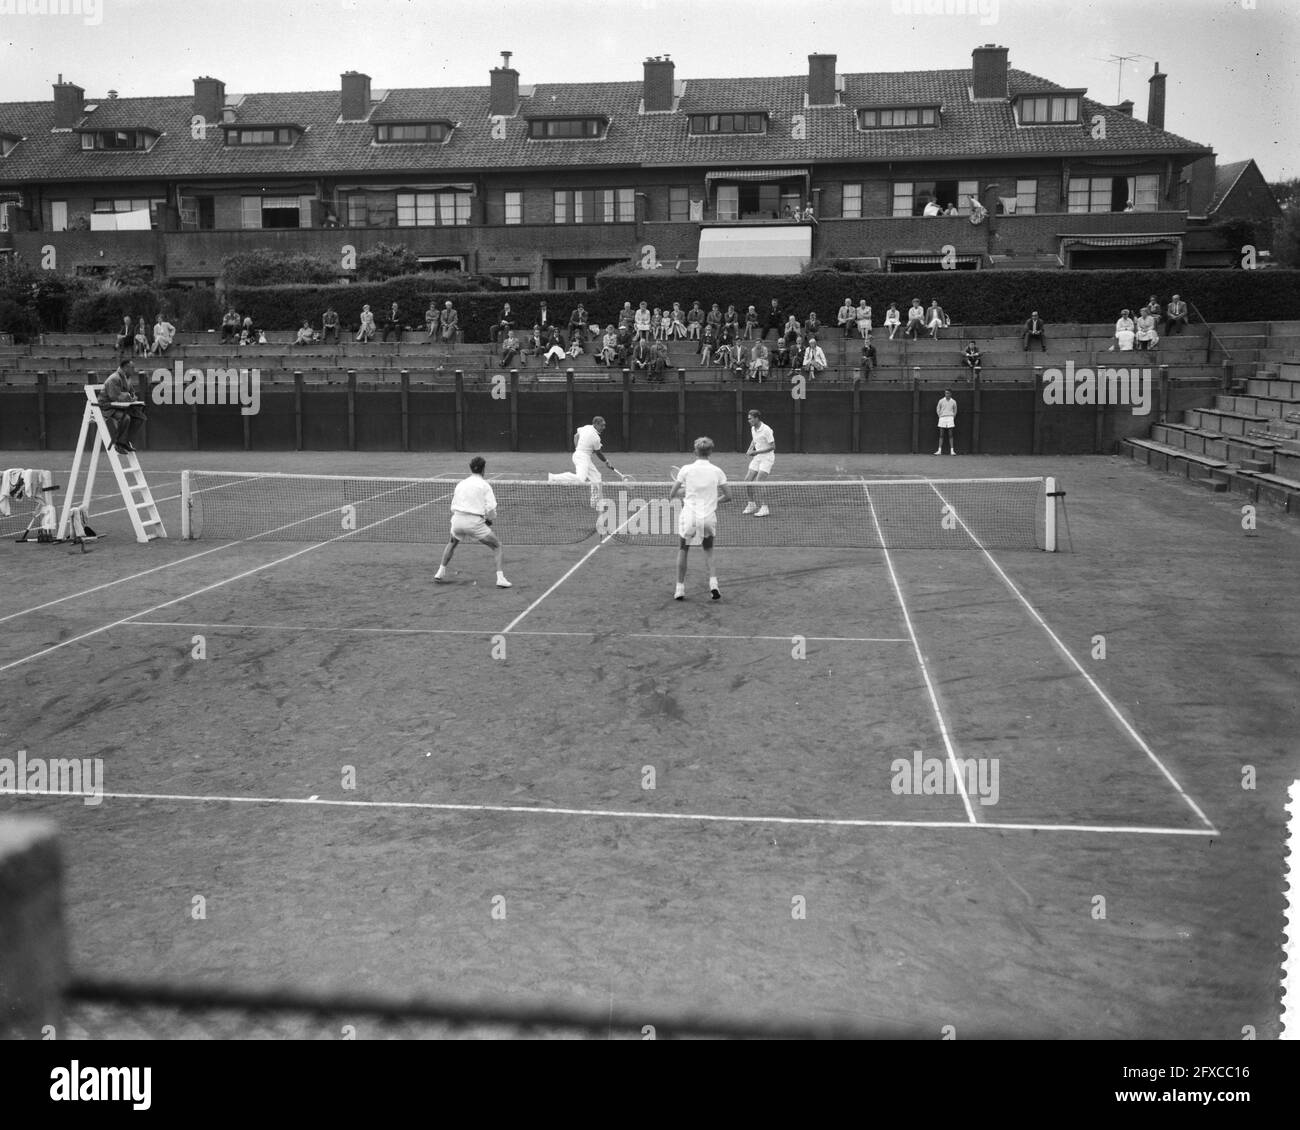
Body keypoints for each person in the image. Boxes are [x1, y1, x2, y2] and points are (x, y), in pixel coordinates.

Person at [434, 456, 510, 589]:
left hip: (457, 521)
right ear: (483, 469)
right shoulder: (485, 485)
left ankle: (440, 572)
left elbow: (454, 504)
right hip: (474, 523)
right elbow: (491, 508)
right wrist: (490, 519)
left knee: (452, 543)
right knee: (497, 546)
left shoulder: (461, 484)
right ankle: (500, 578)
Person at [670, 436, 731, 601]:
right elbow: (728, 496)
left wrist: (685, 491)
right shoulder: (717, 471)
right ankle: (713, 586)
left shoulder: (686, 469)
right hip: (708, 519)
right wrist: (714, 500)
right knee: (709, 551)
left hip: (689, 518)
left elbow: (672, 494)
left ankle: (680, 589)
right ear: (710, 451)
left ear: (695, 451)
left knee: (683, 549)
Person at [548, 415, 621, 507]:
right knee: (580, 479)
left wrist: (577, 449)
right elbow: (598, 453)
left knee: (596, 477)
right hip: (581, 457)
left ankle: (595, 502)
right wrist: (606, 461)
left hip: (581, 456)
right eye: (602, 425)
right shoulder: (595, 437)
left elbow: (576, 436)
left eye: (604, 425)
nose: (604, 427)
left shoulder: (586, 427)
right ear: (595, 424)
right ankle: (553, 478)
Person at [98, 357, 146, 455]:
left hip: (120, 406)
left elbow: (132, 393)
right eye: (132, 368)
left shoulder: (126, 378)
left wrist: (132, 397)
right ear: (125, 368)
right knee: (126, 418)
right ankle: (119, 444)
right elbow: (114, 396)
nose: (134, 370)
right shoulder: (114, 378)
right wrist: (129, 397)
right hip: (108, 406)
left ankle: (125, 441)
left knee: (140, 417)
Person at [742, 409, 774, 516]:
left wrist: (756, 452)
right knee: (747, 480)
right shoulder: (753, 428)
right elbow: (754, 440)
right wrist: (750, 448)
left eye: (750, 419)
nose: (749, 420)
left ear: (756, 418)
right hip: (757, 457)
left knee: (759, 480)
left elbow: (772, 447)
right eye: (748, 419)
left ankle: (765, 508)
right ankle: (751, 505)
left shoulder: (766, 430)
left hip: (767, 458)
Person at [935, 389, 957, 455]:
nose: (946, 394)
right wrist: (940, 415)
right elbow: (938, 409)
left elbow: (955, 410)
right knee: (941, 435)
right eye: (946, 393)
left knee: (950, 435)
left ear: (950, 394)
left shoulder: (953, 401)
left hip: (950, 418)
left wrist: (953, 417)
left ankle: (952, 451)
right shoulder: (941, 401)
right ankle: (939, 451)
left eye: (948, 393)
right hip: (942, 418)